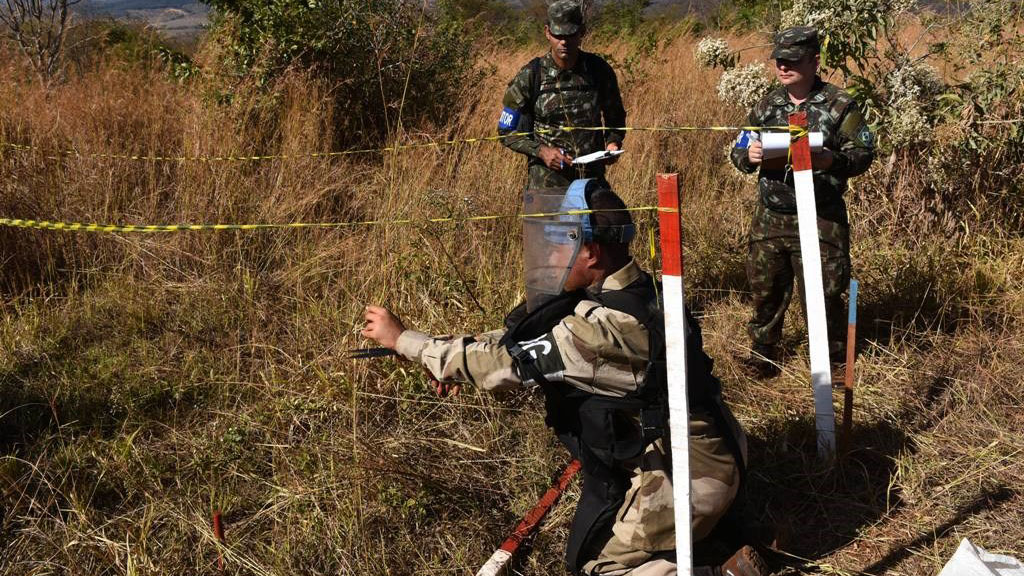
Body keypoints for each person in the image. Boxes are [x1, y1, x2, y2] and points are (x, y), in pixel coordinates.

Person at [362, 180, 766, 576]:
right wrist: (444, 357)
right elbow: (523, 340)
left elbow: (507, 363)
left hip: (694, 477)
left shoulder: (605, 329)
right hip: (712, 447)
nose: (550, 256)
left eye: (559, 244)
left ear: (590, 251)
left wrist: (405, 341)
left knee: (598, 567)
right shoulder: (637, 292)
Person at [729, 26, 875, 376]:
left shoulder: (841, 105)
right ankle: (764, 355)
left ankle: (834, 362)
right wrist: (749, 155)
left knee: (824, 294)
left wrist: (830, 160)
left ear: (814, 61)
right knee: (766, 290)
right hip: (772, 215)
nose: (783, 67)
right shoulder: (766, 105)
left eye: (792, 60)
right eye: (779, 60)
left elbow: (864, 153)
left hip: (821, 216)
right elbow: (738, 150)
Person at [497, 0, 627, 189]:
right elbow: (506, 131)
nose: (564, 41)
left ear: (582, 32)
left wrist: (613, 144)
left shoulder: (598, 70)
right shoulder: (531, 75)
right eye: (558, 34)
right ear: (547, 32)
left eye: (570, 34)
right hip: (546, 185)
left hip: (591, 181)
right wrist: (542, 152)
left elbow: (615, 117)